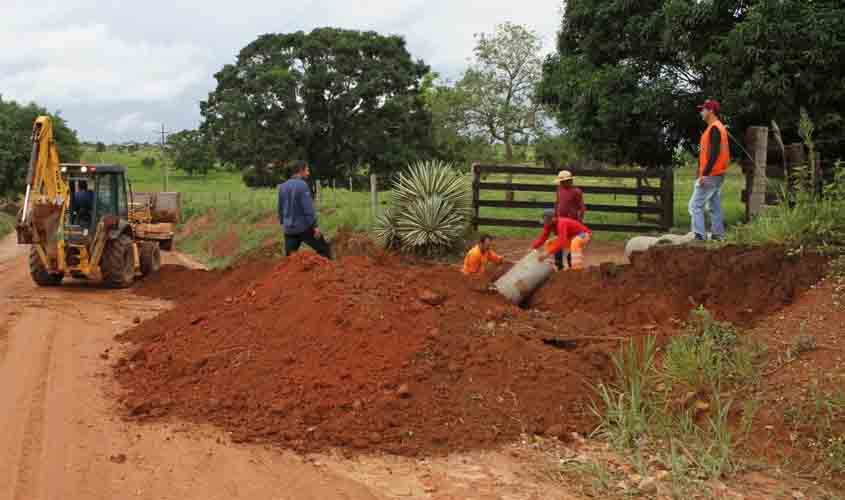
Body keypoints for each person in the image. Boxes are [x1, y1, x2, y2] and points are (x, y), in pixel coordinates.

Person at [689, 99, 731, 241]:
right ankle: (718, 235)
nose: (701, 112)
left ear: (711, 111)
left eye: (703, 109)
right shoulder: (718, 127)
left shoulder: (714, 128)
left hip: (711, 174)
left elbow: (714, 154)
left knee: (695, 205)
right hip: (719, 173)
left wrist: (704, 174)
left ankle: (699, 236)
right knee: (714, 204)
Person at [278, 160, 332, 259]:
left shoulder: (282, 186)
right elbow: (308, 208)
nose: (308, 173)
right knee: (324, 249)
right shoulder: (302, 185)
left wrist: (283, 223)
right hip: (304, 227)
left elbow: (280, 207)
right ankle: (328, 272)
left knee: (290, 258)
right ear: (300, 171)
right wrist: (315, 226)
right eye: (307, 170)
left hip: (288, 229)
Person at [553, 170, 586, 269]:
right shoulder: (559, 189)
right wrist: (555, 217)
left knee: (573, 244)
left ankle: (572, 265)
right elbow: (557, 203)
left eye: (564, 181)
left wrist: (579, 222)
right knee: (559, 242)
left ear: (570, 181)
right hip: (560, 221)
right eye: (561, 182)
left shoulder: (576, 192)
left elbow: (582, 208)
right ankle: (559, 265)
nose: (562, 183)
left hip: (572, 222)